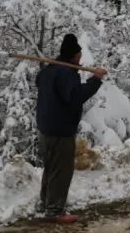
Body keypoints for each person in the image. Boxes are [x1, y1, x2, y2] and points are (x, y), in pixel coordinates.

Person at [35, 34, 107, 223]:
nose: (81, 57)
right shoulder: (65, 72)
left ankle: (46, 204)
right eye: (79, 54)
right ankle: (55, 211)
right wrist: (96, 80)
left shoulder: (49, 70)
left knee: (51, 167)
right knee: (61, 170)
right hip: (61, 129)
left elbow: (38, 81)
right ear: (75, 56)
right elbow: (75, 96)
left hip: (45, 128)